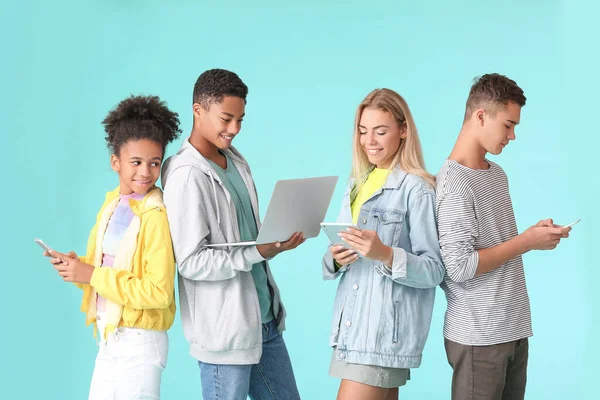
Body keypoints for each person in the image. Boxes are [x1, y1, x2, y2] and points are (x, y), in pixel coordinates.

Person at [161, 68, 303, 400]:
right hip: (224, 335)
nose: (234, 129)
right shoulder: (185, 175)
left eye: (240, 120)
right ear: (198, 109)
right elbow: (191, 262)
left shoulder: (235, 161)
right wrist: (259, 252)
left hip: (263, 320)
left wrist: (276, 241)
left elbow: (244, 236)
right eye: (226, 118)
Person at [436, 73, 572, 400]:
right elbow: (459, 267)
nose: (512, 136)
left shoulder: (496, 175)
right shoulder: (454, 184)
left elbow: (498, 242)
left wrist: (534, 235)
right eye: (508, 125)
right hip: (478, 336)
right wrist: (527, 241)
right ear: (481, 116)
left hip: (512, 327)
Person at [45, 95, 181, 399]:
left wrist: (91, 274)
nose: (145, 172)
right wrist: (76, 265)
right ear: (115, 162)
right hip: (109, 336)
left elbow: (158, 293)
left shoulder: (155, 216)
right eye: (136, 162)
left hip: (140, 341)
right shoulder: (111, 206)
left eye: (154, 162)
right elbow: (107, 268)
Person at [323, 88, 445, 400]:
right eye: (363, 131)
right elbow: (337, 255)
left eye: (380, 131)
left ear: (403, 131)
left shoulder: (416, 190)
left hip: (381, 335)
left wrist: (386, 254)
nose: (369, 141)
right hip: (351, 331)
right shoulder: (357, 183)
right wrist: (335, 258)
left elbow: (434, 270)